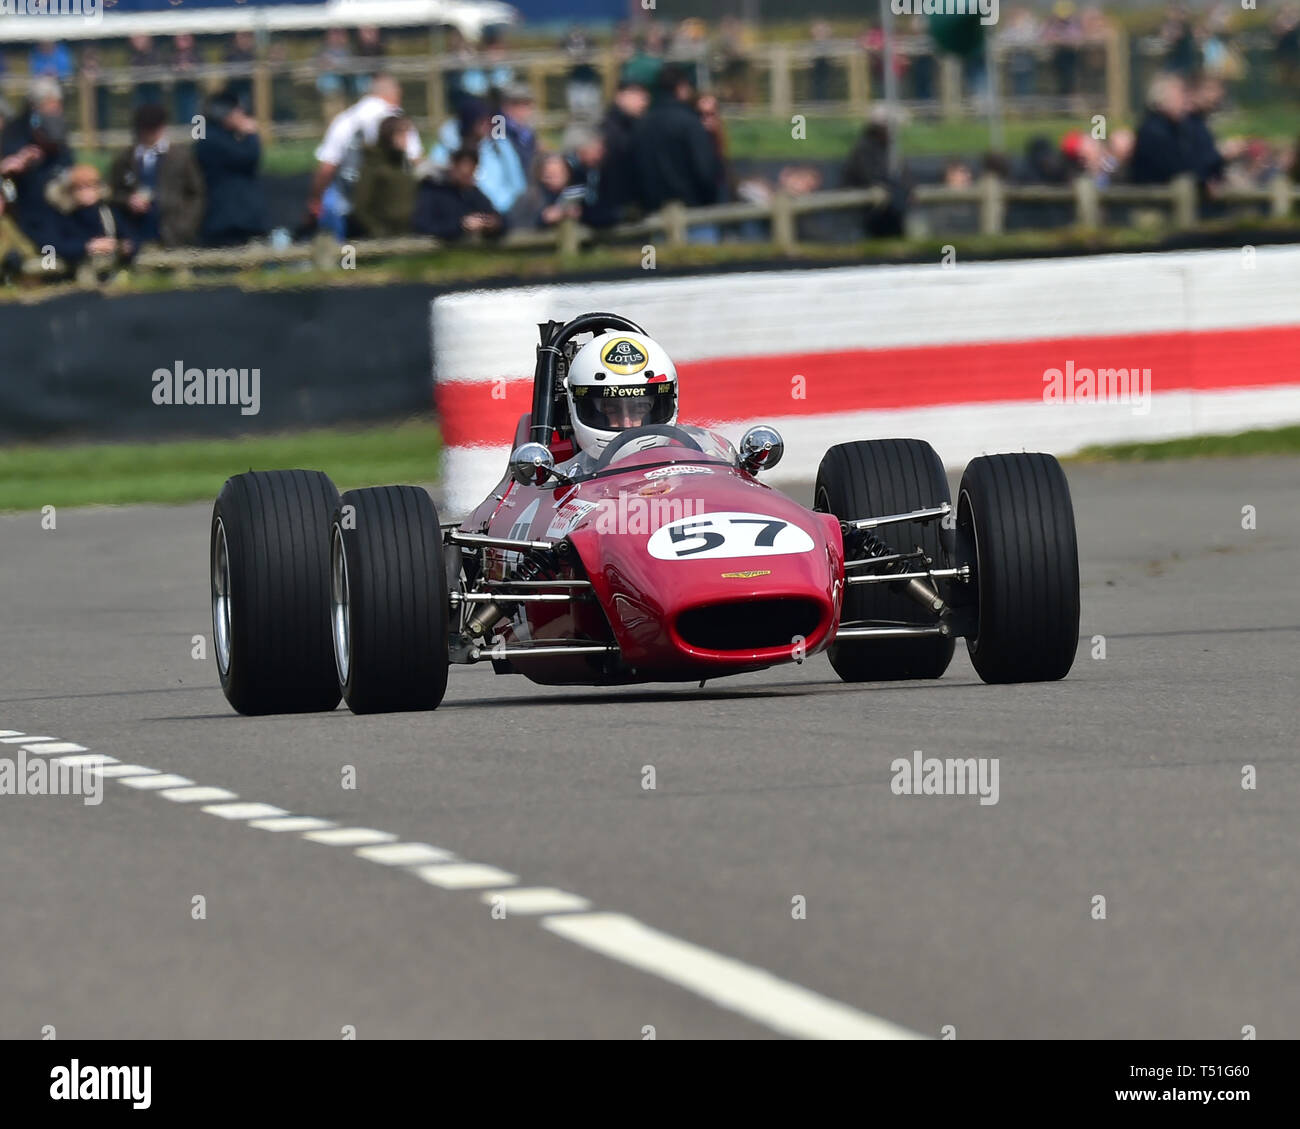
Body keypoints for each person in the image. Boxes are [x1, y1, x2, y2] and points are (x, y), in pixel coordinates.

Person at [309, 74, 422, 239]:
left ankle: (349, 263)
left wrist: (315, 198)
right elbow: (415, 160)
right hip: (393, 209)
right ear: (395, 94)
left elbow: (327, 168)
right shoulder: (399, 121)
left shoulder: (346, 119)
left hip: (350, 203)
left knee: (349, 253)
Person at [558, 330, 680, 478]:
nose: (627, 424)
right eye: (611, 409)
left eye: (639, 408)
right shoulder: (558, 478)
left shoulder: (690, 460)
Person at [108, 102, 204, 247]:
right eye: (145, 129)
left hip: (173, 232)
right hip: (135, 232)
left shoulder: (180, 157)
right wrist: (128, 200)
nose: (149, 134)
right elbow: (113, 193)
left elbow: (196, 193)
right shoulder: (125, 159)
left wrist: (185, 225)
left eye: (154, 129)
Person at [633, 65, 720, 218]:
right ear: (681, 87)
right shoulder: (690, 122)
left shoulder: (643, 123)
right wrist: (710, 199)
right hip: (692, 207)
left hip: (652, 209)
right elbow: (704, 168)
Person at [0, 77, 74, 238]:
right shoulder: (16, 130)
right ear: (35, 105)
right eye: (50, 104)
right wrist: (20, 160)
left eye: (57, 104)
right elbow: (8, 162)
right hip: (25, 193)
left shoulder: (58, 127)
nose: (55, 109)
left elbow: (67, 159)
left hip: (54, 187)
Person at [431, 97, 527, 216]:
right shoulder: (445, 149)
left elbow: (517, 183)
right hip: (460, 216)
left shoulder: (500, 146)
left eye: (489, 120)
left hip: (500, 213)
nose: (486, 125)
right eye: (481, 121)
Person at [195, 90, 267, 246]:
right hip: (227, 218)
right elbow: (249, 157)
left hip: (237, 216)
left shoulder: (212, 136)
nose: (243, 115)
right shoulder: (211, 140)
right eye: (238, 111)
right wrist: (251, 135)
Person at [32, 164, 133, 273]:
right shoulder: (61, 212)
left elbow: (128, 235)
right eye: (80, 188)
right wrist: (88, 246)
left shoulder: (105, 211)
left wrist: (121, 246)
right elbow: (52, 244)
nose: (86, 192)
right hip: (68, 261)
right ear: (71, 190)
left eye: (91, 186)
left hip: (104, 259)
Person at [412, 148, 504, 241]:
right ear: (453, 166)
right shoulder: (433, 190)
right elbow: (423, 228)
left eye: (471, 174)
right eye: (464, 174)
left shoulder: (473, 193)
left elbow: (499, 219)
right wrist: (462, 225)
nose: (468, 178)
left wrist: (492, 224)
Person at [351, 114, 417, 237]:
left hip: (409, 233)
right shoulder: (373, 165)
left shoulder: (404, 164)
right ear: (388, 136)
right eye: (400, 135)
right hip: (384, 236)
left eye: (406, 135)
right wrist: (377, 231)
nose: (405, 140)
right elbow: (360, 206)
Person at [598, 80, 649, 223]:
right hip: (617, 208)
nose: (644, 103)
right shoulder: (612, 130)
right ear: (620, 96)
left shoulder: (633, 126)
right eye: (639, 96)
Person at [1130, 73, 1194, 185]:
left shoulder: (1177, 127)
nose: (1185, 102)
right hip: (1155, 197)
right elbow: (1175, 168)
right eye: (1180, 96)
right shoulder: (1153, 131)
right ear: (1162, 100)